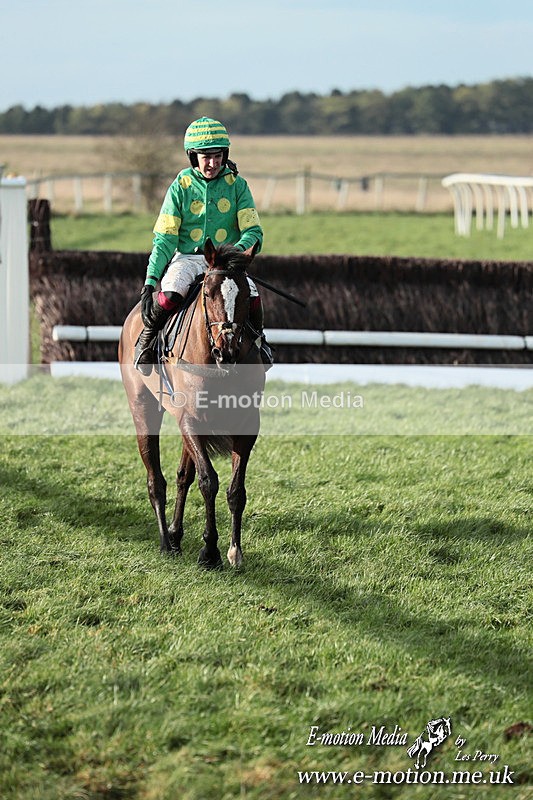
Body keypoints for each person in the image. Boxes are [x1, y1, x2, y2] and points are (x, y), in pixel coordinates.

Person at [134, 116, 272, 374]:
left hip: (225, 263)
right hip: (187, 258)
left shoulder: (238, 185)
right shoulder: (180, 186)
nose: (212, 163)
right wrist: (150, 280)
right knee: (172, 293)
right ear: (192, 157)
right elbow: (165, 238)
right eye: (205, 156)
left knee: (251, 294)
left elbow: (253, 230)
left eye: (218, 156)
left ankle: (259, 342)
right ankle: (148, 339)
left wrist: (235, 253)